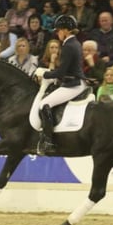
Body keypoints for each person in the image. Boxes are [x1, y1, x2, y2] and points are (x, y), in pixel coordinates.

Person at [35, 15, 87, 155]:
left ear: (65, 30)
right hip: (75, 81)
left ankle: (48, 141)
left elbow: (61, 71)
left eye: (58, 30)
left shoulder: (68, 45)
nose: (57, 33)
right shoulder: (74, 42)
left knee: (44, 105)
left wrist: (44, 74)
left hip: (72, 84)